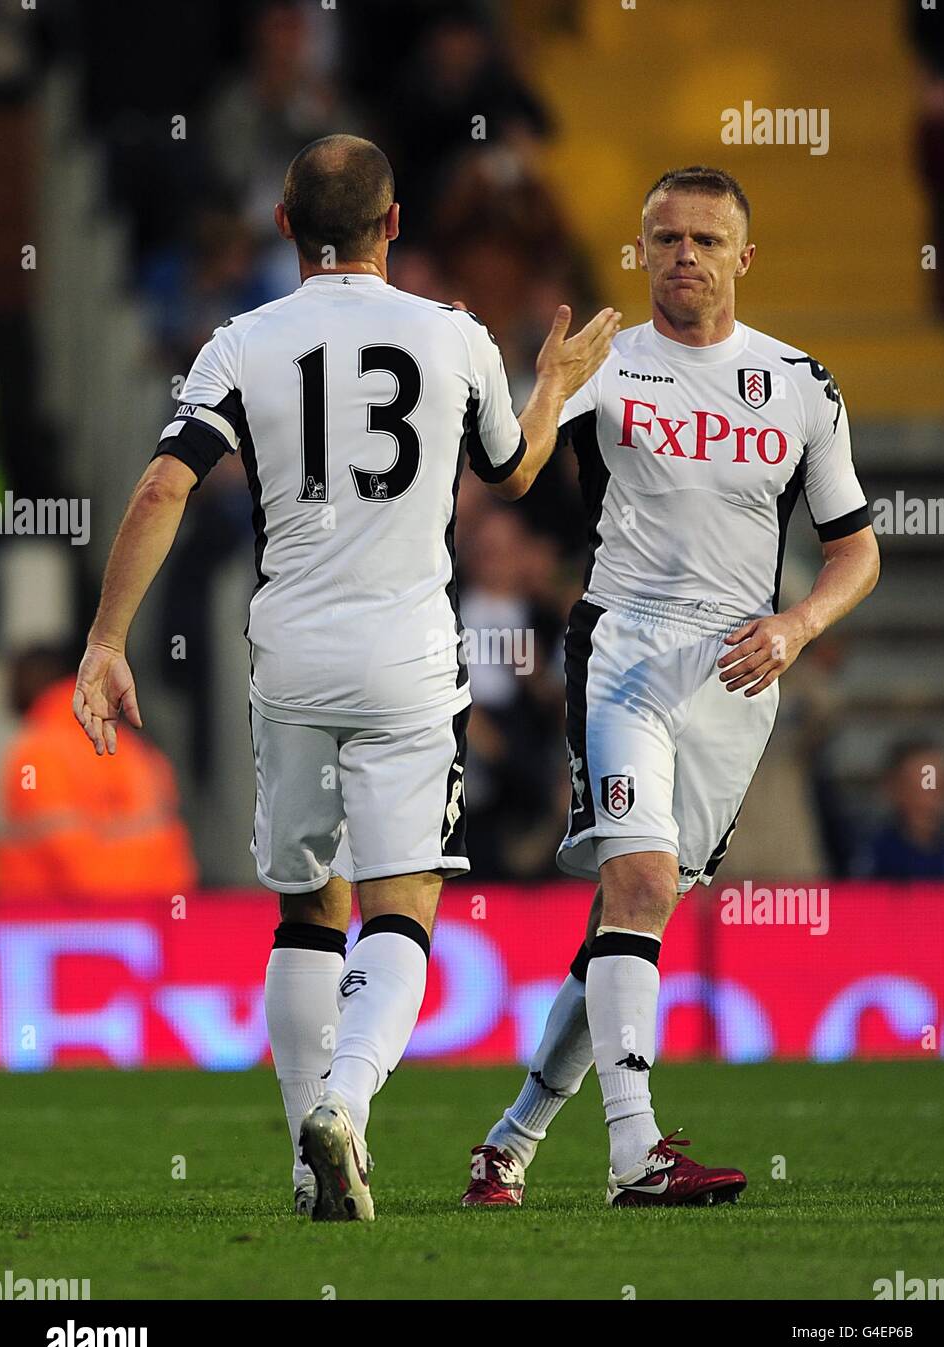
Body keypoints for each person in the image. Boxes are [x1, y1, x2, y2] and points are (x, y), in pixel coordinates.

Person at [71, 134, 619, 1222]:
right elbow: (512, 471)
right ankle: (348, 1106)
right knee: (402, 901)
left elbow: (157, 493)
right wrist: (551, 382)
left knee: (305, 910)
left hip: (290, 655)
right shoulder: (454, 337)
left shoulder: (239, 343)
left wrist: (105, 641)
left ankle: (302, 1156)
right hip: (412, 655)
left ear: (283, 226)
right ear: (394, 224)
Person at [461, 166, 880, 1211]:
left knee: (629, 912)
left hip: (740, 670)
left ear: (745, 256)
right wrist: (550, 384)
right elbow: (509, 474)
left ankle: (508, 1141)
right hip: (626, 650)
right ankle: (636, 1154)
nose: (682, 255)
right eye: (663, 238)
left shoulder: (798, 383)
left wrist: (796, 624)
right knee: (641, 888)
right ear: (640, 251)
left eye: (703, 239)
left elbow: (855, 550)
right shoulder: (610, 363)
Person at [0, 645, 196, 897]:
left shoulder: (38, 750)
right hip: (150, 911)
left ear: (38, 677)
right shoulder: (132, 745)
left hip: (60, 922)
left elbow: (66, 855)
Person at [852, 739, 944, 880]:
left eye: (941, 787)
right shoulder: (871, 857)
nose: (930, 802)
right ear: (893, 789)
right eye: (917, 790)